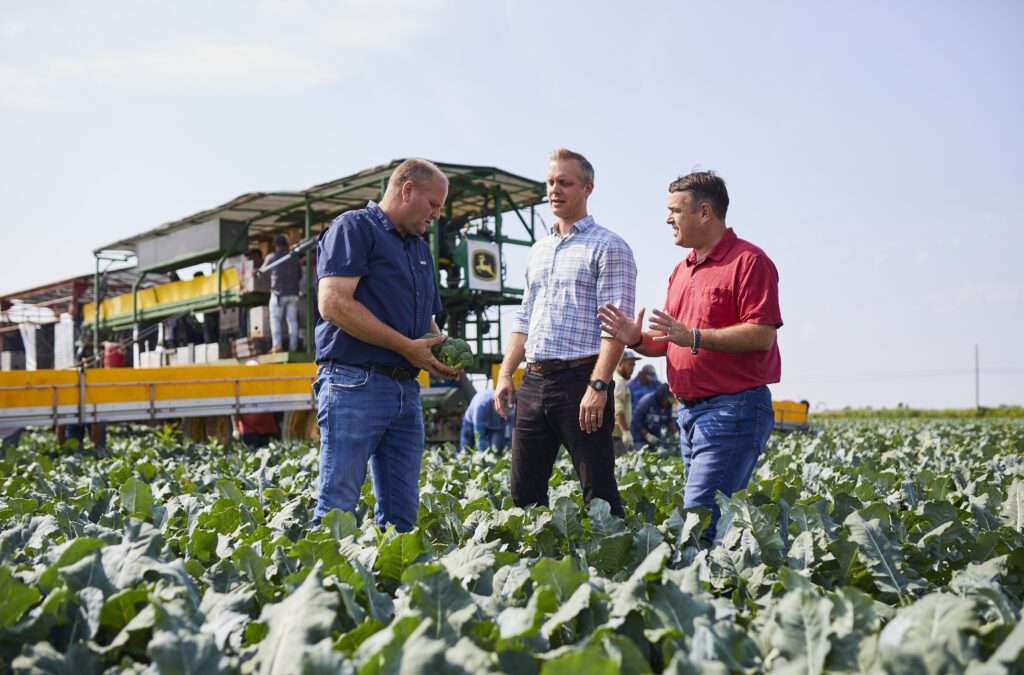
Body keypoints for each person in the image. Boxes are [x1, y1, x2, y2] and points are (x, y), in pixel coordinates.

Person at [599, 170, 782, 539]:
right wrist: (635, 339)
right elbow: (669, 340)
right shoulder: (680, 271)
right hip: (690, 413)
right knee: (704, 520)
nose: (667, 219)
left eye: (675, 211)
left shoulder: (749, 261)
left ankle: (706, 590)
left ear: (704, 213)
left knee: (699, 520)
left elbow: (761, 334)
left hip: (734, 407)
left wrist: (693, 336)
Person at [314, 159, 459, 531]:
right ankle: (323, 587)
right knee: (339, 505)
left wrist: (437, 351)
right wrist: (407, 347)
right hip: (355, 382)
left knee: (401, 514)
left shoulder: (420, 249)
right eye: (434, 204)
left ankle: (390, 586)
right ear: (407, 189)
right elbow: (333, 303)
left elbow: (426, 321)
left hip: (405, 390)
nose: (437, 215)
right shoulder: (354, 228)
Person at [494, 148, 637, 518]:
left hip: (580, 382)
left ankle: (612, 567)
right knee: (523, 492)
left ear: (588, 188)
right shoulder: (538, 250)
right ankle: (533, 569)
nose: (554, 190)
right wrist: (507, 372)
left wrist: (599, 386)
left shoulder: (609, 246)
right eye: (550, 182)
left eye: (565, 183)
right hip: (534, 382)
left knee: (599, 492)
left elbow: (615, 327)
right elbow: (523, 317)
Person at [261, 234, 303, 353]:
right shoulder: (294, 257)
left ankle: (277, 346)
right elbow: (299, 275)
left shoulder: (271, 257)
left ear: (275, 245)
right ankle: (293, 347)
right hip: (294, 293)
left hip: (278, 293)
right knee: (292, 320)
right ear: (286, 244)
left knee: (275, 319)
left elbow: (261, 272)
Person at [631, 383, 678, 447]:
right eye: (667, 401)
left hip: (656, 439)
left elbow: (668, 421)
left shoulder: (668, 406)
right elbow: (636, 421)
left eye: (670, 402)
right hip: (640, 438)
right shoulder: (647, 401)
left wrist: (676, 434)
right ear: (661, 396)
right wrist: (647, 435)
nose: (668, 404)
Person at [459, 388, 506, 452]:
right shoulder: (480, 405)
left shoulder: (509, 404)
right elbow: (478, 433)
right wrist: (482, 454)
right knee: (466, 447)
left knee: (497, 448)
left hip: (494, 423)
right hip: (471, 423)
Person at [612, 350, 638, 456]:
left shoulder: (616, 379)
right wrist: (625, 431)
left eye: (633, 365)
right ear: (620, 364)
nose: (632, 369)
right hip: (616, 436)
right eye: (630, 365)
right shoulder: (619, 381)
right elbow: (617, 408)